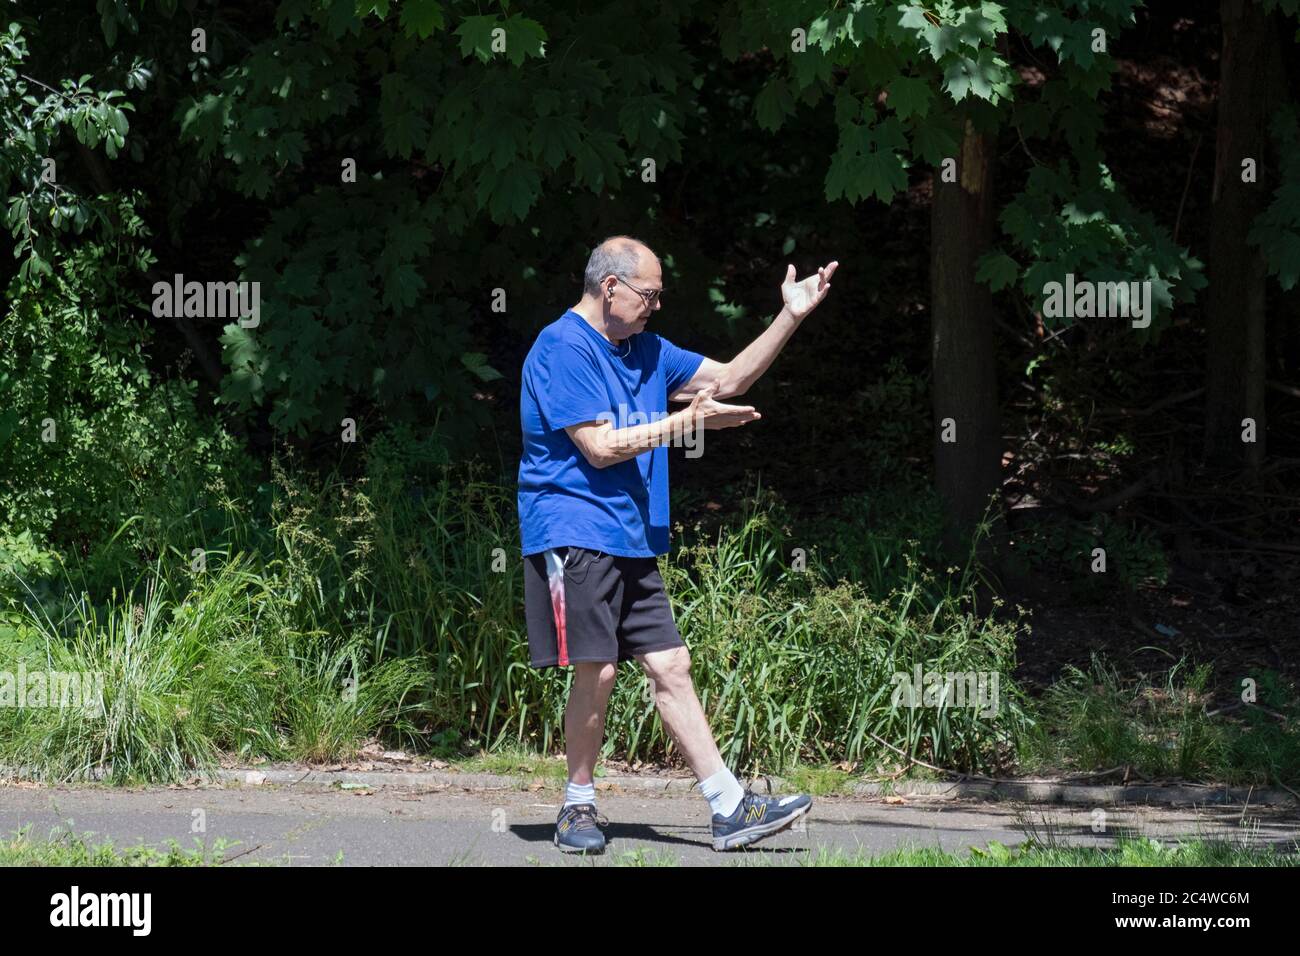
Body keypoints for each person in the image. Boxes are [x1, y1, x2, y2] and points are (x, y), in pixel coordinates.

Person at [517, 235, 838, 853]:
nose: (656, 306)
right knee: (600, 668)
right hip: (572, 529)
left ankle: (729, 805)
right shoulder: (561, 347)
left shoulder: (647, 350)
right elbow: (601, 446)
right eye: (649, 294)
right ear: (610, 287)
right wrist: (687, 422)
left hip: (630, 536)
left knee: (671, 665)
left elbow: (731, 378)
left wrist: (790, 316)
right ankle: (577, 807)